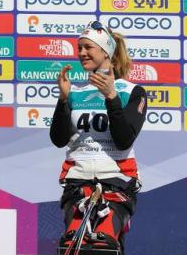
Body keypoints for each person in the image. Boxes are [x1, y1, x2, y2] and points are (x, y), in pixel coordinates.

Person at [50, 21, 147, 253]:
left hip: (117, 180)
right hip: (77, 182)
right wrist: (63, 101)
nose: (82, 53)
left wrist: (111, 97)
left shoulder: (131, 92)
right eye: (79, 48)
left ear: (106, 51)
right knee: (72, 246)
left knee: (102, 246)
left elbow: (125, 139)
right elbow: (58, 139)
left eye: (88, 47)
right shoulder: (76, 93)